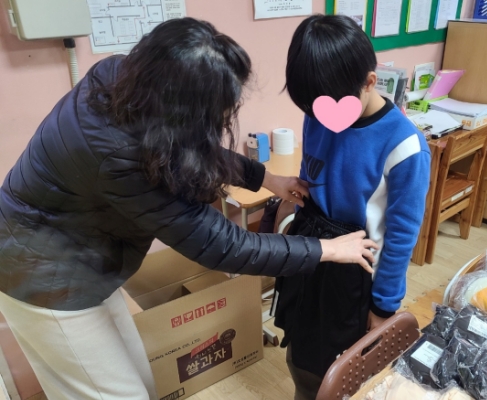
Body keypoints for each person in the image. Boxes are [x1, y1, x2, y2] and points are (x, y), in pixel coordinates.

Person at [0, 18, 378, 400]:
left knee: (142, 381)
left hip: (84, 255)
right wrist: (325, 249)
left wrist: (266, 178)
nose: (224, 119)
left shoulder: (125, 78)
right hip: (38, 274)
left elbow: (191, 149)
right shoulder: (119, 156)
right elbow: (222, 244)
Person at [273, 14, 431, 400]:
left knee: (341, 372)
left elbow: (401, 236)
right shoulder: (319, 112)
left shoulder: (405, 146)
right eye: (312, 107)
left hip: (356, 276)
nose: (320, 117)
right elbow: (312, 174)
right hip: (311, 253)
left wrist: (383, 306)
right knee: (301, 356)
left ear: (370, 82)